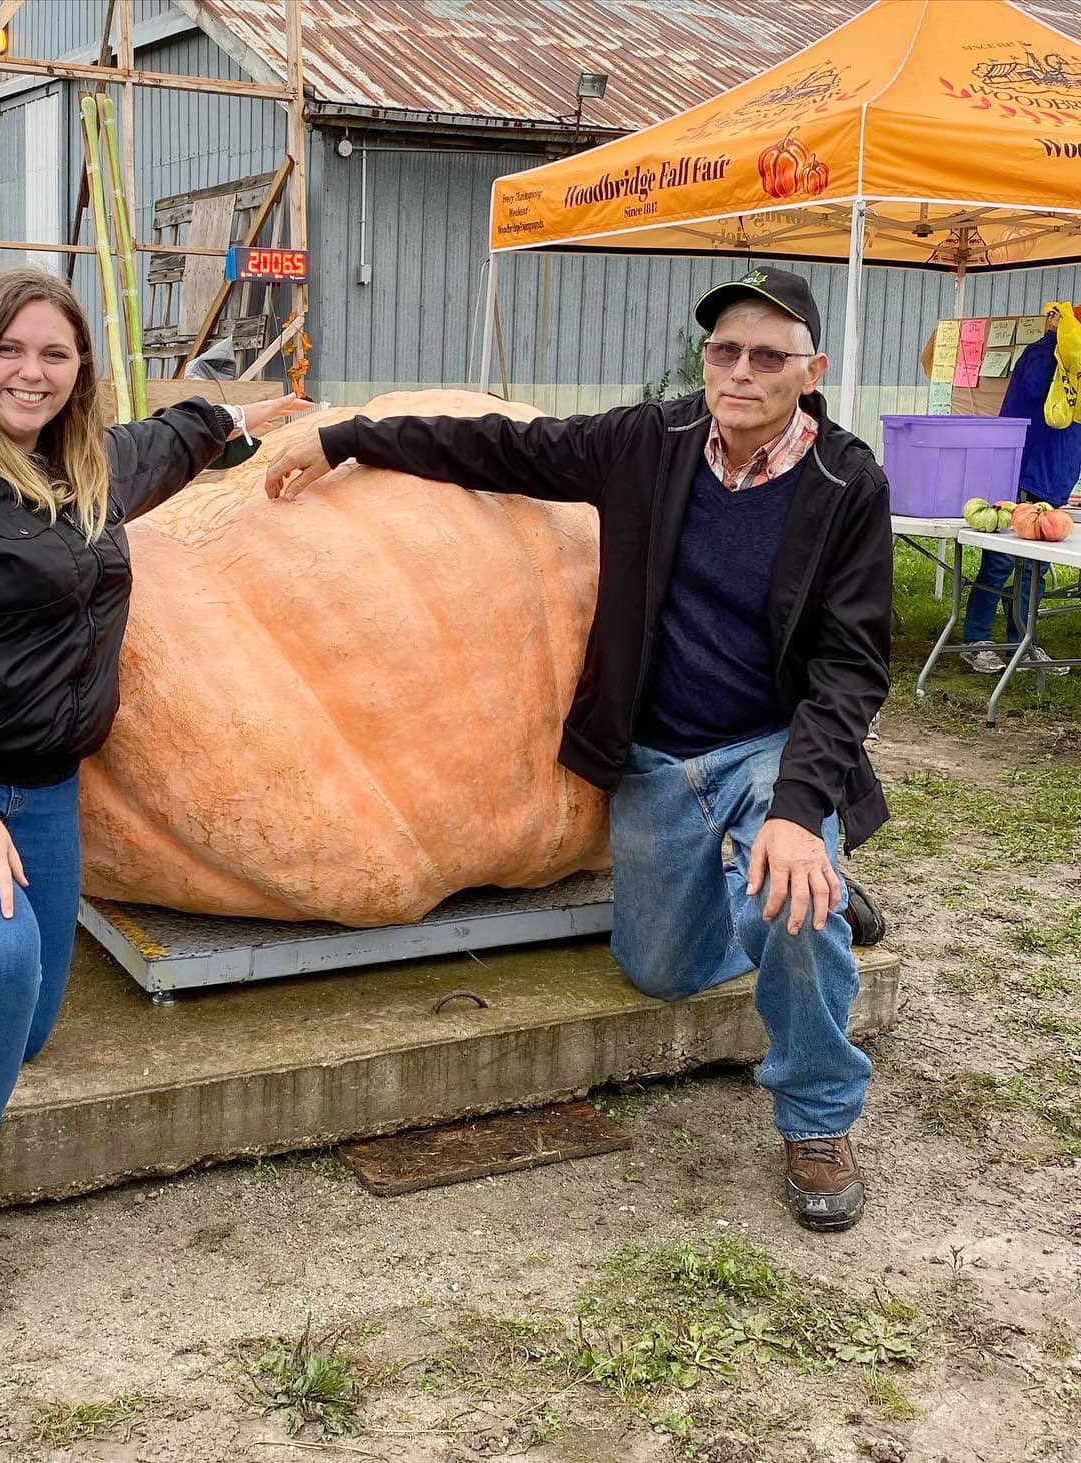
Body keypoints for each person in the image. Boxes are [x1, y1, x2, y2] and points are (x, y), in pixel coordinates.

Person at [267, 267, 890, 1233]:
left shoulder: (848, 483)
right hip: (656, 759)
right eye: (724, 350)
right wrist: (343, 437)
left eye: (769, 356)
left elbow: (850, 670)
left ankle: (815, 1115)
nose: (740, 371)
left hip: (774, 747)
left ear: (810, 370)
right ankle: (803, 895)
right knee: (660, 969)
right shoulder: (652, 440)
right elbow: (503, 447)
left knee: (792, 911)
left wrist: (801, 814)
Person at [0, 267, 306, 1327]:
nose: (32, 372)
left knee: (19, 1024)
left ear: (80, 372)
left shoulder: (80, 467)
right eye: (11, 350)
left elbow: (159, 447)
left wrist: (232, 422)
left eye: (55, 354)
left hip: (38, 784)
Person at [960, 303, 1081, 674]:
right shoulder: (1041, 354)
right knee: (998, 562)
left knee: (1035, 569)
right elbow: (1031, 388)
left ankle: (1022, 641)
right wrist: (1051, 340)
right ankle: (976, 639)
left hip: (1056, 480)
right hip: (1018, 472)